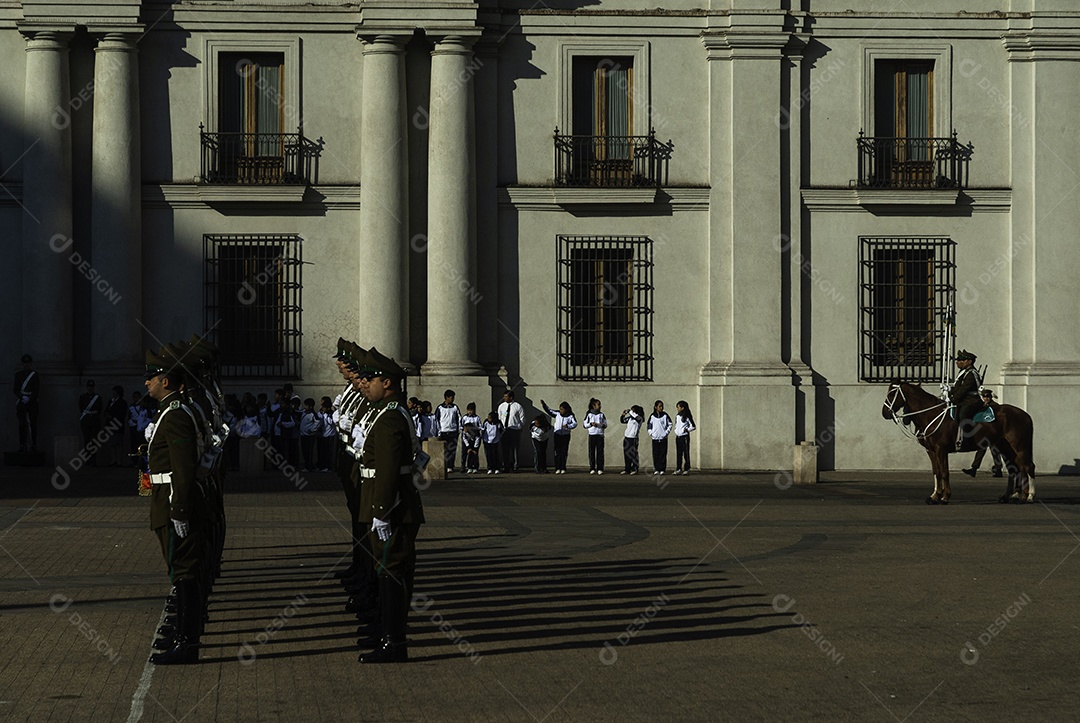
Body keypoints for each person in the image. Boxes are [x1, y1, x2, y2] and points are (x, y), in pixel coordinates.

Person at [355, 349, 424, 664]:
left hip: (391, 507)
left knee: (391, 570)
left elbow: (388, 469)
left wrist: (380, 512)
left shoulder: (390, 417)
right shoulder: (388, 412)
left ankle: (393, 642)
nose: (365, 383)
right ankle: (388, 634)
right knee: (389, 570)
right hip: (391, 505)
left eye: (370, 379)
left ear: (388, 382)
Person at [143, 348, 205, 665]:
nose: (146, 384)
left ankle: (187, 642)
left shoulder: (176, 414)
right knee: (180, 572)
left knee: (183, 572)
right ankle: (183, 636)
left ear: (165, 381)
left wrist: (179, 509)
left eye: (150, 378)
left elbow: (183, 468)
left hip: (171, 502)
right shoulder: (169, 411)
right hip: (164, 498)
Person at [946, 350, 983, 451]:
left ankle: (967, 441)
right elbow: (958, 388)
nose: (958, 362)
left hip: (972, 401)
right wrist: (949, 391)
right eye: (958, 360)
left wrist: (953, 398)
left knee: (963, 415)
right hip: (963, 400)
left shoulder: (971, 374)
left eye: (961, 360)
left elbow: (963, 390)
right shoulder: (963, 372)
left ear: (969, 361)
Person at [963, 389, 1004, 478]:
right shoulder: (982, 406)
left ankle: (998, 470)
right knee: (982, 450)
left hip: (992, 432)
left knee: (994, 451)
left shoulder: (994, 406)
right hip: (984, 432)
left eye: (988, 397)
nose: (986, 399)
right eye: (984, 397)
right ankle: (974, 469)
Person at [541, 400, 577, 474]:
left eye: (562, 409)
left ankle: (563, 467)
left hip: (565, 435)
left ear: (566, 409)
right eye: (560, 409)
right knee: (557, 452)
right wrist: (544, 405)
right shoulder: (557, 414)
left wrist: (568, 426)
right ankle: (557, 467)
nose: (561, 411)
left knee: (564, 452)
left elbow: (575, 423)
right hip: (557, 435)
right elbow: (549, 411)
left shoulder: (570, 416)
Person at [13, 354, 39, 453]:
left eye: (28, 363)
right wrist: (21, 397)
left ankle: (34, 444)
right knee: (22, 423)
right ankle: (22, 444)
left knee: (33, 424)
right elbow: (15, 389)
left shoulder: (35, 375)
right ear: (23, 364)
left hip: (32, 402)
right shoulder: (18, 375)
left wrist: (30, 399)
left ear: (30, 364)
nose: (26, 365)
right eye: (25, 363)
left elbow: (36, 390)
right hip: (22, 401)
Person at [498, 390, 525, 472]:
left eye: (506, 396)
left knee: (515, 449)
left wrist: (518, 427)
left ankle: (515, 466)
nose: (504, 398)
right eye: (504, 396)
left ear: (511, 397)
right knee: (505, 449)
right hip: (504, 430)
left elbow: (522, 419)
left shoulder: (517, 406)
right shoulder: (501, 406)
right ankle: (505, 466)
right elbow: (500, 417)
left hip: (514, 430)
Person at [436, 389, 461, 475]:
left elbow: (459, 418)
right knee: (443, 451)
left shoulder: (455, 407)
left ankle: (450, 466)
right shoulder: (440, 408)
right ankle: (444, 465)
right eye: (451, 397)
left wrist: (458, 429)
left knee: (452, 450)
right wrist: (438, 432)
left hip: (453, 431)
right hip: (443, 431)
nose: (453, 399)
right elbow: (437, 420)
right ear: (447, 397)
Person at [78, 379, 104, 464]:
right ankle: (87, 458)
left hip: (94, 420)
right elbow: (81, 407)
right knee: (86, 439)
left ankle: (93, 459)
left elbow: (99, 408)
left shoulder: (97, 397)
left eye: (91, 387)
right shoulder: (83, 397)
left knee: (94, 440)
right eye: (89, 387)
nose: (90, 388)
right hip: (86, 420)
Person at [104, 386, 128, 466]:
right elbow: (106, 410)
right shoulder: (111, 401)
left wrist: (113, 417)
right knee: (112, 443)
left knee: (118, 443)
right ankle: (113, 460)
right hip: (110, 425)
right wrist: (107, 415)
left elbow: (122, 414)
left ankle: (119, 460)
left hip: (118, 425)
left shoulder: (122, 402)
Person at [583, 397, 607, 474]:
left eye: (600, 405)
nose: (600, 406)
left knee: (600, 452)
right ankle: (592, 467)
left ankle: (600, 468)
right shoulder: (589, 414)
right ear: (593, 406)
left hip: (600, 435)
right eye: (598, 404)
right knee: (591, 452)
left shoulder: (601, 415)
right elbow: (584, 425)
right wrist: (591, 424)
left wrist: (601, 425)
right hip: (592, 435)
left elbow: (605, 424)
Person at [648, 400, 672, 475]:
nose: (661, 408)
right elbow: (649, 425)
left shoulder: (665, 415)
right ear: (655, 407)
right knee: (655, 454)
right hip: (655, 438)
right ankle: (656, 469)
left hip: (663, 438)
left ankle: (662, 469)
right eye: (659, 406)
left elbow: (670, 424)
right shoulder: (652, 416)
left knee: (663, 454)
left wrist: (666, 433)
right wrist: (651, 433)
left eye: (662, 406)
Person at [673, 401, 696, 475]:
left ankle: (687, 468)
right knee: (679, 453)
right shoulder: (677, 416)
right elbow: (677, 425)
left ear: (682, 408)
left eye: (679, 407)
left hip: (684, 436)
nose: (678, 409)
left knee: (686, 453)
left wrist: (686, 430)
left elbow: (693, 426)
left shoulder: (687, 416)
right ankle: (678, 468)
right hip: (678, 436)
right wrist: (676, 431)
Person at [620, 405, 645, 475]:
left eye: (633, 410)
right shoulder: (630, 419)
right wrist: (623, 415)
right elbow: (622, 421)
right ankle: (627, 468)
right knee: (626, 453)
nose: (631, 412)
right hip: (627, 437)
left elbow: (636, 416)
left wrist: (629, 411)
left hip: (634, 438)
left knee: (633, 454)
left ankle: (635, 468)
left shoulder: (639, 418)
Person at [299, 398, 322, 472]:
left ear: (311, 406)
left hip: (310, 436)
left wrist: (312, 429)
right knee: (304, 451)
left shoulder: (313, 414)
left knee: (309, 452)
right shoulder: (303, 412)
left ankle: (309, 467)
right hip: (303, 435)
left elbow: (318, 422)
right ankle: (308, 465)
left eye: (306, 406)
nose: (305, 407)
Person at [460, 403, 482, 474]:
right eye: (468, 410)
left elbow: (480, 427)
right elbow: (461, 426)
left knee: (474, 453)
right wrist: (464, 429)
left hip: (474, 437)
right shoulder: (464, 418)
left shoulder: (477, 418)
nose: (470, 412)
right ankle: (464, 466)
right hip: (467, 438)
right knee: (465, 452)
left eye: (471, 410)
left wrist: (474, 429)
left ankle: (475, 467)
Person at [318, 397, 336, 472]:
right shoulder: (321, 413)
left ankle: (328, 467)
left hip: (330, 436)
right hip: (323, 435)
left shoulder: (331, 414)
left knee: (328, 453)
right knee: (323, 452)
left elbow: (331, 423)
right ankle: (322, 465)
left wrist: (325, 415)